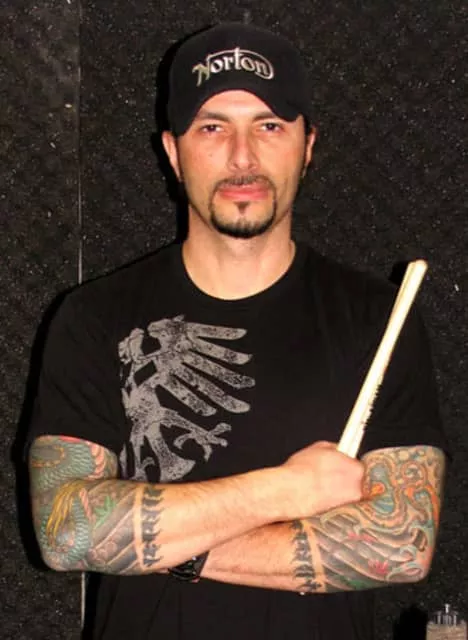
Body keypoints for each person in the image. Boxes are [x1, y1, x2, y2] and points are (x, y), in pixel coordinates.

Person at [27, 22, 447, 640]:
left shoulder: (379, 316)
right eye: (213, 128)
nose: (242, 156)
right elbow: (66, 532)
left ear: (307, 145)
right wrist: (286, 490)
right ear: (173, 152)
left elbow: (402, 544)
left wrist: (178, 547)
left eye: (269, 126)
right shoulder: (93, 316)